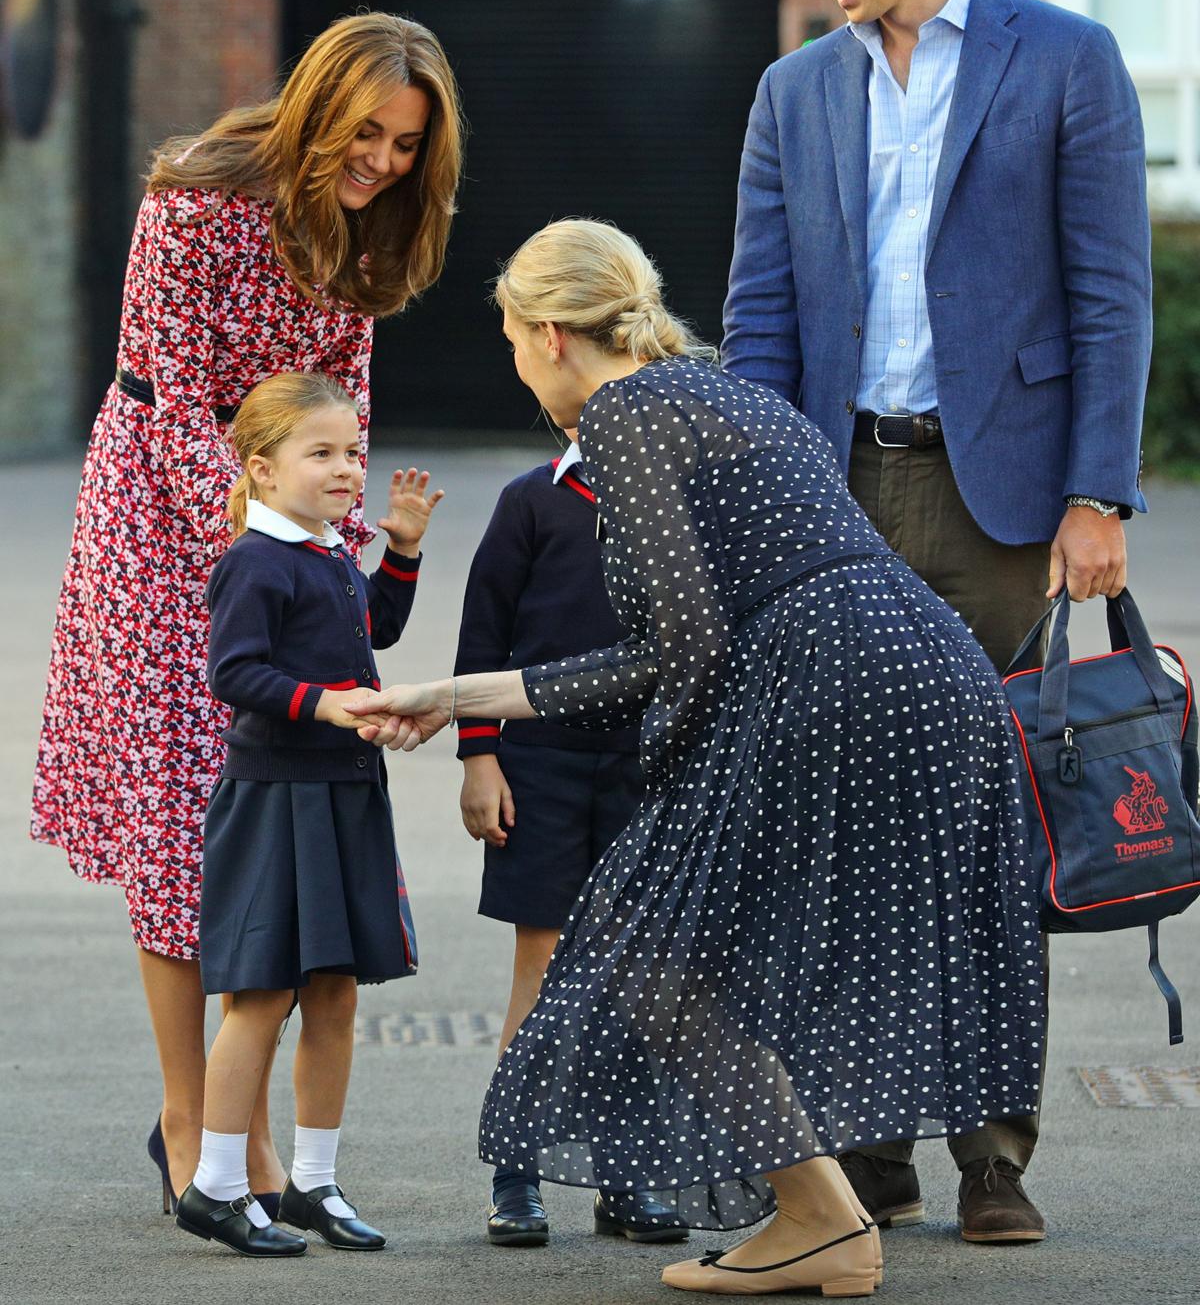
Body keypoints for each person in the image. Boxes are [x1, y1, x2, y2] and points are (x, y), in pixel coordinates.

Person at [346, 218, 1046, 1298]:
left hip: (823, 680)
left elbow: (680, 650)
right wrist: (452, 698)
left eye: (507, 340)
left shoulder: (623, 415)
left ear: (548, 335)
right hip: (925, 668)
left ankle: (820, 1217)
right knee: (785, 943)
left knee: (648, 948)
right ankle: (829, 1212)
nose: (516, 364)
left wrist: (489, 707)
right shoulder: (725, 391)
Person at [721, 0, 1152, 1242]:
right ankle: (869, 1147)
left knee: (989, 826)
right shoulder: (794, 91)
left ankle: (995, 1154)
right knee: (842, 826)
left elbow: (1108, 293)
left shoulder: (1063, 57)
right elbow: (761, 319)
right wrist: (757, 508)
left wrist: (1098, 497)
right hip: (837, 493)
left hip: (1004, 508)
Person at [30, 11, 464, 1213]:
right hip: (163, 523)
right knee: (183, 827)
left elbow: (346, 399)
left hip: (283, 521)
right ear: (318, 104)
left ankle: (245, 1130)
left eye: (407, 146)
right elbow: (172, 399)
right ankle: (195, 1130)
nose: (381, 161)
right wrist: (258, 557)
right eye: (366, 133)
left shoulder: (374, 225)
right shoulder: (197, 196)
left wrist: (332, 547)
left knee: (267, 820)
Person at [174, 370, 442, 1257]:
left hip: (345, 795)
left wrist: (399, 550)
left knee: (334, 993)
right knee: (262, 994)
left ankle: (313, 1186)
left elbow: (376, 629)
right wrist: (325, 706)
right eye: (321, 452)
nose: (345, 468)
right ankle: (215, 1186)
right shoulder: (253, 560)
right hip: (276, 799)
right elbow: (234, 673)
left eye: (352, 451)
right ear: (260, 468)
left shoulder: (328, 552)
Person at [454, 429, 687, 1247]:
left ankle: (627, 1177)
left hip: (646, 766)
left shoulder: (679, 500)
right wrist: (480, 757)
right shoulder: (531, 500)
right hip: (538, 762)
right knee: (543, 969)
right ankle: (516, 1174)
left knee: (636, 976)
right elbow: (483, 634)